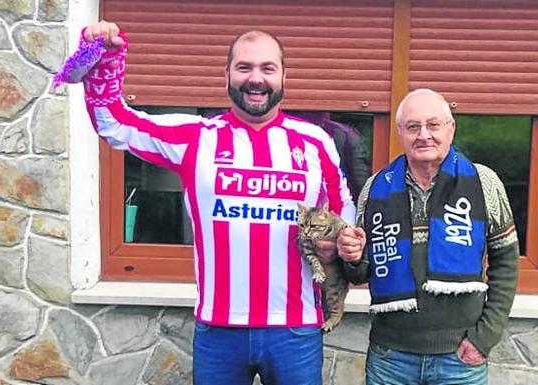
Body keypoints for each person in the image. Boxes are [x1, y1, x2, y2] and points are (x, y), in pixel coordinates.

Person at [81, 21, 355, 385]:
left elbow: (344, 213)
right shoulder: (196, 138)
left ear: (283, 75)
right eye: (244, 67)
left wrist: (338, 247)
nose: (256, 78)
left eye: (267, 68)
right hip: (219, 329)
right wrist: (107, 57)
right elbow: (114, 123)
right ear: (226, 73)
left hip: (295, 329)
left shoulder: (315, 141)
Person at [336, 89, 519, 385]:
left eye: (433, 125)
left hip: (459, 359)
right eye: (413, 127)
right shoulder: (374, 189)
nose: (424, 135)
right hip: (389, 358)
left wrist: (484, 338)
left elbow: (506, 264)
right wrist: (352, 256)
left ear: (451, 128)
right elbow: (360, 272)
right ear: (400, 133)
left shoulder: (484, 183)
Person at [293, 112, 371, 202]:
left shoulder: (344, 134)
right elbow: (360, 186)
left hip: (338, 205)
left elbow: (360, 184)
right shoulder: (346, 133)